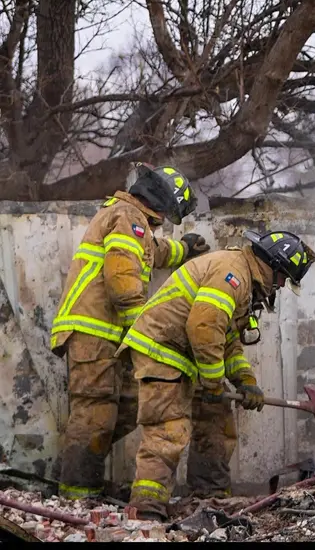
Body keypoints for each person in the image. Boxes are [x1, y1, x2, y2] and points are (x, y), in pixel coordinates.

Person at [120, 229, 315, 520]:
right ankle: (146, 513)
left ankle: (208, 500)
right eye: (284, 279)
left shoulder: (243, 278)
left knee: (216, 418)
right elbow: (203, 326)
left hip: (184, 356)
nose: (280, 287)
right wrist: (213, 381)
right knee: (167, 431)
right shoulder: (232, 274)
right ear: (275, 268)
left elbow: (226, 340)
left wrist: (245, 381)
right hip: (161, 350)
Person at [49, 163, 209, 500]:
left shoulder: (130, 220)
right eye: (169, 214)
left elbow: (154, 253)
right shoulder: (127, 216)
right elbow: (123, 282)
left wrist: (185, 250)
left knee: (129, 404)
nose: (165, 221)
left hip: (104, 333)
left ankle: (73, 473)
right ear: (162, 204)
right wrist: (145, 333)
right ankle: (77, 496)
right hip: (94, 331)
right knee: (96, 412)